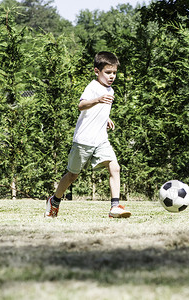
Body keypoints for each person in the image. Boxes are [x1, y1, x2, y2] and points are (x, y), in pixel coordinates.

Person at [45, 51, 131, 218]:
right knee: (72, 175)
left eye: (114, 72)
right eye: (108, 72)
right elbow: (82, 105)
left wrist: (106, 118)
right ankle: (54, 201)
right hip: (84, 140)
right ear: (96, 71)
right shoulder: (93, 87)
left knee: (115, 167)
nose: (112, 76)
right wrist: (97, 100)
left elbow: (100, 110)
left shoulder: (110, 90)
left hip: (101, 139)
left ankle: (115, 207)